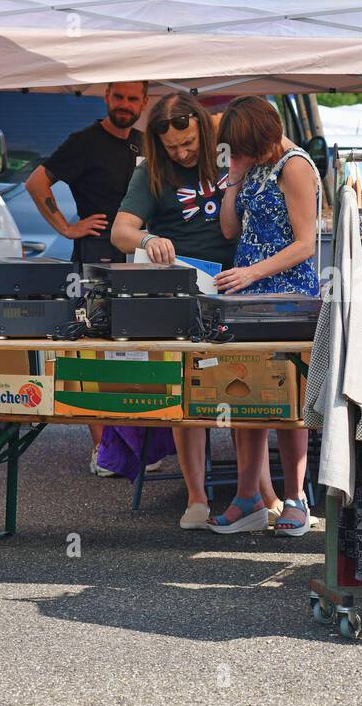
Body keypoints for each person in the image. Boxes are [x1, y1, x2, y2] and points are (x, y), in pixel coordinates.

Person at [110, 93, 241, 529]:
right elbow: (120, 231)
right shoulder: (152, 171)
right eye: (172, 148)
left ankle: (258, 494)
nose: (183, 153)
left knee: (246, 391)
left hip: (239, 286)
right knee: (190, 394)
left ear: (203, 129)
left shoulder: (229, 149)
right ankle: (197, 498)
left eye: (188, 143)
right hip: (185, 293)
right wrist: (147, 240)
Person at [208, 96, 320, 536]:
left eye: (242, 150)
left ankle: (296, 497)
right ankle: (248, 496)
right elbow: (230, 229)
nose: (238, 157)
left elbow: (305, 243)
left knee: (289, 399)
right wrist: (233, 180)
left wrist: (253, 272)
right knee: (245, 393)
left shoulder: (294, 166)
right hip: (248, 292)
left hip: (287, 295)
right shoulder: (252, 166)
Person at [24, 80, 147, 476]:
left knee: (140, 352)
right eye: (119, 96)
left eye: (133, 98)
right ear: (106, 98)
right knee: (94, 350)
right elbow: (36, 182)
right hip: (95, 261)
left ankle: (140, 444)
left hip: (142, 260)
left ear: (144, 103)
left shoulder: (147, 144)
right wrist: (66, 227)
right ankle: (103, 450)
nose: (125, 104)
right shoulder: (84, 141)